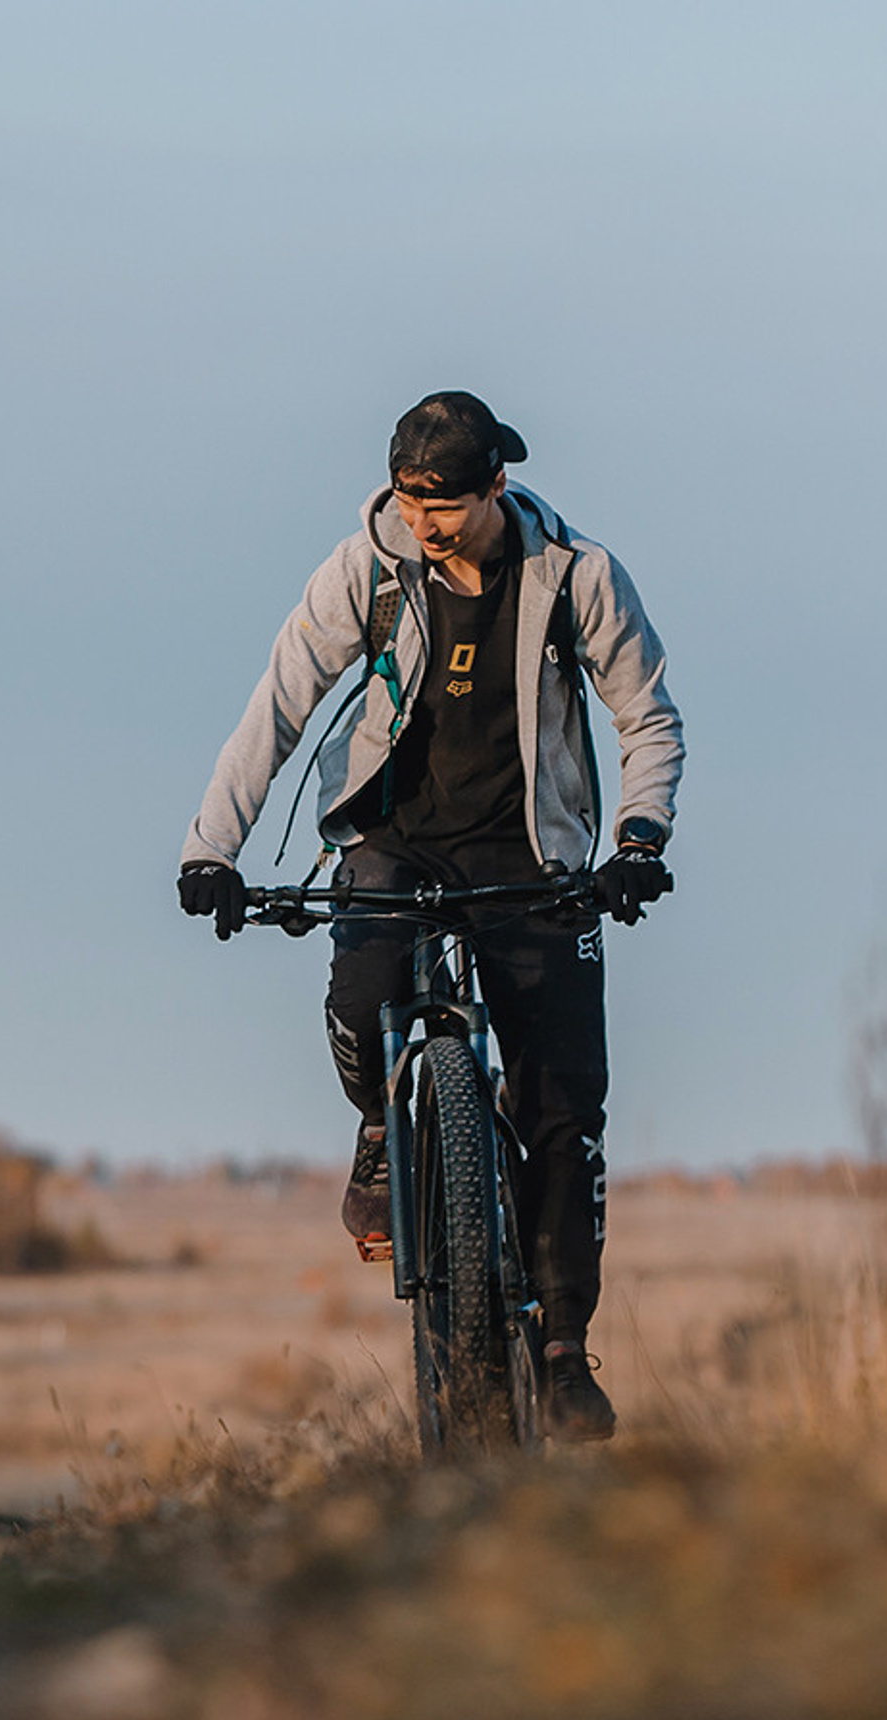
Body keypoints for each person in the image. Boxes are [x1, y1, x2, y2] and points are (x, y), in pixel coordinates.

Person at [177, 392, 683, 1441]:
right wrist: (210, 848)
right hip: (394, 842)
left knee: (563, 1112)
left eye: (442, 504)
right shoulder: (364, 569)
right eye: (408, 500)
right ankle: (381, 1124)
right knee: (361, 997)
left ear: (496, 483)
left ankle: (562, 1350)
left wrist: (639, 841)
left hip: (532, 858)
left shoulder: (577, 576)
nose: (423, 522)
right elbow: (278, 704)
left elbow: (648, 717)